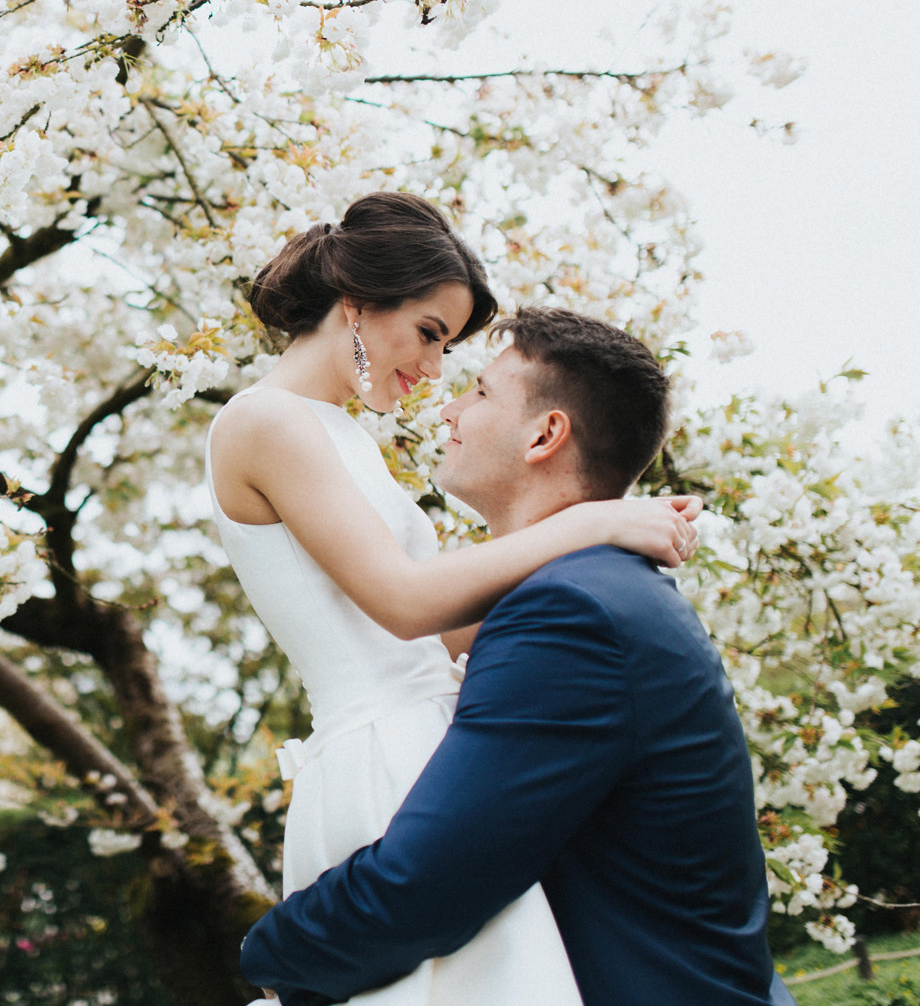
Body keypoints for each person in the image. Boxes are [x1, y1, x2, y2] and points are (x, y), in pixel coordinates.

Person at [205, 192, 704, 1004]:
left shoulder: (336, 433)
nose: (435, 370)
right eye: (430, 334)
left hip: (429, 743)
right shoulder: (265, 422)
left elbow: (431, 635)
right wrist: (596, 523)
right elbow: (403, 602)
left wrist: (588, 580)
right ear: (358, 303)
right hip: (382, 756)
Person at [236, 306, 793, 1006]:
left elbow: (426, 885)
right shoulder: (589, 589)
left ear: (545, 434)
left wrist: (266, 953)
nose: (448, 410)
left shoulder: (571, 613)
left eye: (479, 393)